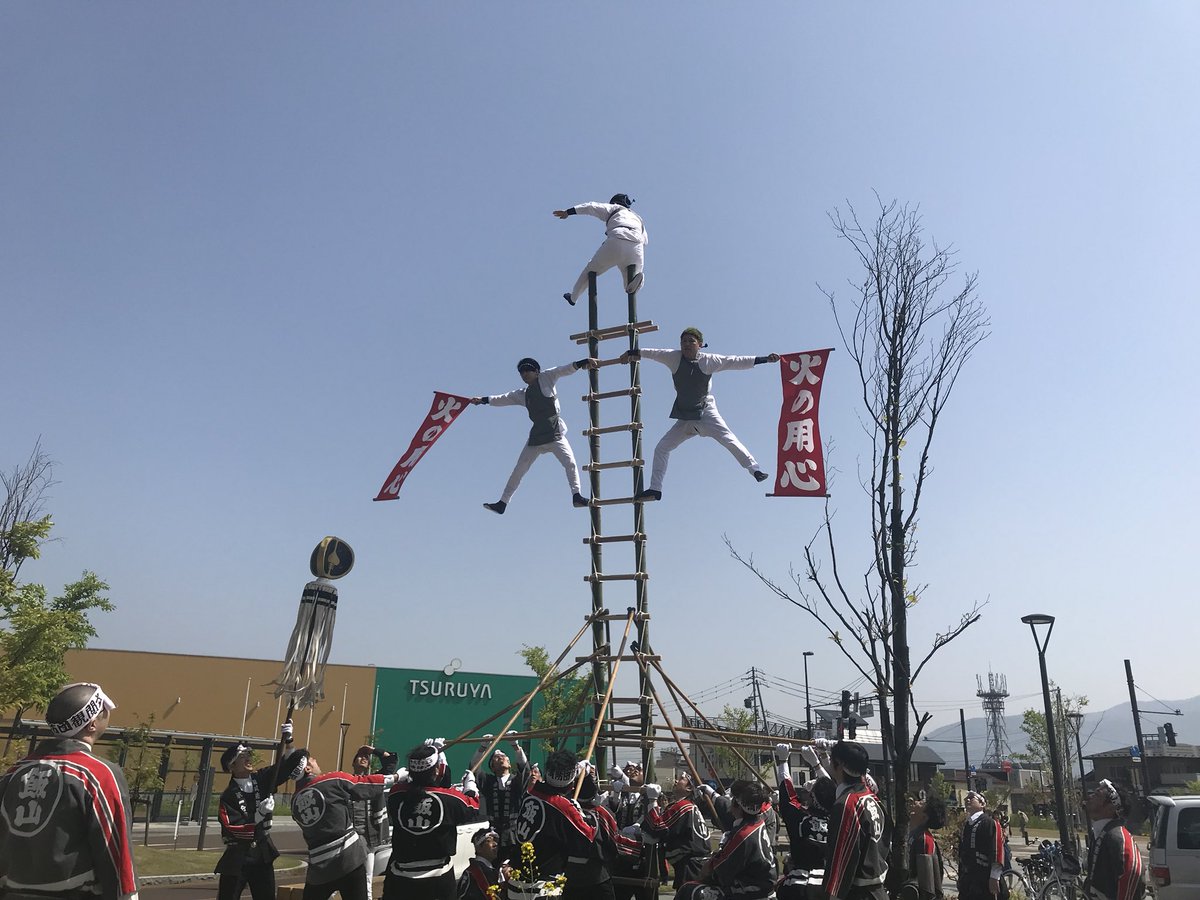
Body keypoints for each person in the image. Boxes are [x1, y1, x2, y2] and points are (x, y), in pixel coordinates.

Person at [0, 682, 138, 900]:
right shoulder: (99, 774)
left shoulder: (14, 772)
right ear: (92, 724)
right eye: (104, 711)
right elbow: (115, 849)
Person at [621, 329, 780, 501]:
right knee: (662, 448)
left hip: (706, 413)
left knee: (729, 439)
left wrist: (765, 359)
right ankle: (655, 489)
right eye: (683, 342)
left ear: (700, 345)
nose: (687, 345)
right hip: (685, 418)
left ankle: (755, 470)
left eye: (691, 341)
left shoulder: (709, 360)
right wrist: (630, 353)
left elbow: (734, 361)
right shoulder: (673, 357)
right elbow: (653, 353)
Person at [470, 356, 598, 514]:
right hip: (536, 438)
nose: (524, 374)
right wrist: (483, 400)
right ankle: (502, 503)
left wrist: (582, 362)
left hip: (555, 434)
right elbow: (503, 398)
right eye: (521, 372)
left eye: (527, 370)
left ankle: (576, 495)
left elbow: (563, 369)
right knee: (519, 469)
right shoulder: (523, 394)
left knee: (569, 462)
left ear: (536, 371)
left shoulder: (547, 378)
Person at [288, 748, 405, 900]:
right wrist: (397, 777)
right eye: (312, 760)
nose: (315, 761)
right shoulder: (332, 780)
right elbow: (367, 784)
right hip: (348, 857)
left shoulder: (294, 800)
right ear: (307, 769)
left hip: (319, 865)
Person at [513, 749, 617, 900]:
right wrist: (580, 813)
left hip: (517, 881)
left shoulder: (530, 793)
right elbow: (588, 835)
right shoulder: (563, 806)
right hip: (543, 887)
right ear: (571, 785)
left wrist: (578, 770)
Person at [384, 742, 481, 899]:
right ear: (436, 770)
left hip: (401, 877)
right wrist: (470, 785)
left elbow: (423, 786)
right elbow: (472, 806)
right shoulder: (450, 799)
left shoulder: (396, 794)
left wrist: (435, 755)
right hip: (438, 878)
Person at [215, 722, 297, 900]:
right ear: (232, 766)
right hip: (237, 857)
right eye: (242, 756)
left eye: (248, 754)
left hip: (262, 852)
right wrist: (259, 815)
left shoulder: (261, 778)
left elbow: (285, 767)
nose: (248, 757)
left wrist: (289, 741)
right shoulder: (228, 796)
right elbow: (232, 826)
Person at [674, 780, 776, 900]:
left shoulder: (743, 835)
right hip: (760, 885)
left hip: (752, 890)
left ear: (737, 804)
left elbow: (719, 872)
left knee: (690, 890)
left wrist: (709, 866)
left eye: (731, 799)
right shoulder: (756, 823)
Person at [821, 741, 888, 900]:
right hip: (878, 890)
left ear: (839, 765)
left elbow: (841, 857)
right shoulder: (873, 799)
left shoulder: (847, 804)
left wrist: (831, 894)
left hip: (858, 892)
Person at [555, 194, 648, 306]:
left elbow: (591, 207)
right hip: (637, 246)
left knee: (590, 271)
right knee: (631, 283)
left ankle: (573, 298)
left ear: (614, 202)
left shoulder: (614, 208)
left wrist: (568, 212)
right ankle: (635, 282)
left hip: (617, 239)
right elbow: (646, 240)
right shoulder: (638, 218)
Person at [774, 743, 832, 900]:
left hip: (800, 886)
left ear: (812, 797)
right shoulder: (836, 817)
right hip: (828, 886)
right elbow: (831, 791)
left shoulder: (801, 817)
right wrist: (816, 764)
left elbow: (787, 793)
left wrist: (783, 760)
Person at [467, 732, 531, 862]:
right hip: (494, 835)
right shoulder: (488, 782)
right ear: (492, 767)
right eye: (496, 758)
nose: (500, 757)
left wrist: (515, 746)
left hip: (514, 835)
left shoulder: (517, 781)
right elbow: (474, 768)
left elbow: (525, 768)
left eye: (504, 756)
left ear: (509, 764)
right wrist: (483, 747)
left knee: (516, 865)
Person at [641, 772, 711, 889]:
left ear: (689, 788)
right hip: (695, 863)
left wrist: (652, 800)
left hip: (690, 865)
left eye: (681, 779)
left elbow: (657, 827)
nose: (676, 781)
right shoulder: (688, 805)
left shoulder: (683, 806)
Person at [350, 745, 400, 900]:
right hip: (349, 836)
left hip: (368, 836)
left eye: (366, 757)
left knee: (367, 878)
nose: (364, 758)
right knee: (340, 875)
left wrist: (372, 750)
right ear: (353, 763)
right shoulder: (345, 781)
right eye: (360, 756)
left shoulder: (375, 781)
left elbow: (391, 762)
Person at [1082, 780, 1146, 900]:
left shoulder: (1118, 837)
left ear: (1111, 808)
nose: (1090, 797)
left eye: (1097, 795)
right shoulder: (1101, 833)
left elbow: (1133, 872)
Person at [956, 791, 1004, 900]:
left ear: (982, 804)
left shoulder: (989, 822)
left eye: (972, 798)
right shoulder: (967, 824)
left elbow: (996, 849)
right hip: (968, 878)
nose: (967, 800)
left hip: (984, 876)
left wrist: (994, 876)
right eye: (966, 798)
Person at [903, 795, 946, 900]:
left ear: (925, 816)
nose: (915, 802)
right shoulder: (912, 834)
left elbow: (927, 885)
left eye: (921, 803)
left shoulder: (924, 839)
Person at [457, 827, 507, 900]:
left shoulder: (491, 869)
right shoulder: (473, 872)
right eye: (489, 841)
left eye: (495, 841)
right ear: (479, 848)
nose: (495, 844)